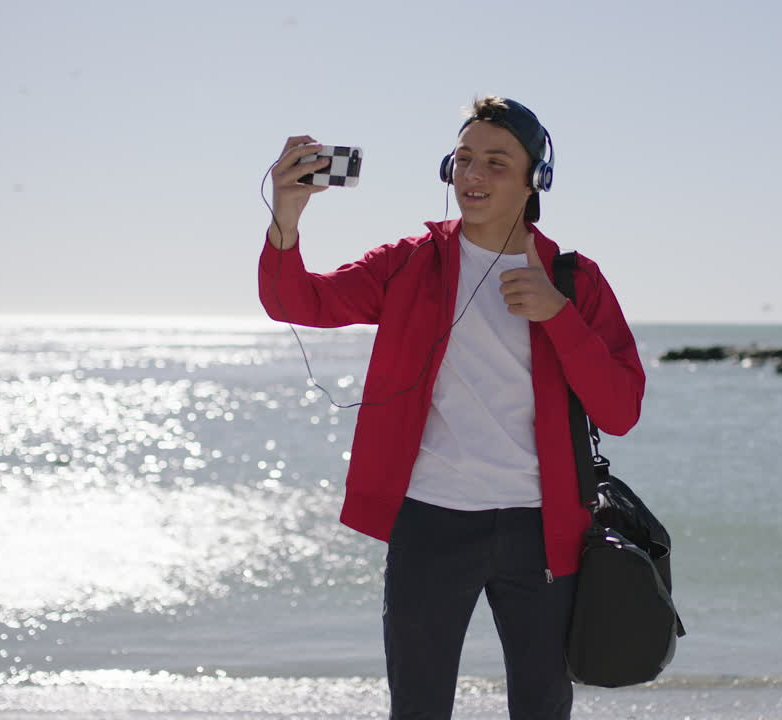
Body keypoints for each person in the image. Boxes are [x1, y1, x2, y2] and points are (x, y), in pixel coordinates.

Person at [258, 97, 645, 719]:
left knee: (542, 705)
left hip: (542, 529)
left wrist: (558, 317)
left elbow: (622, 408)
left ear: (534, 179)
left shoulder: (574, 281)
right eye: (463, 159)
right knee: (417, 707)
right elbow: (299, 302)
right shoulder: (410, 261)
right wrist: (287, 219)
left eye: (496, 162)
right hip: (430, 524)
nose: (473, 175)